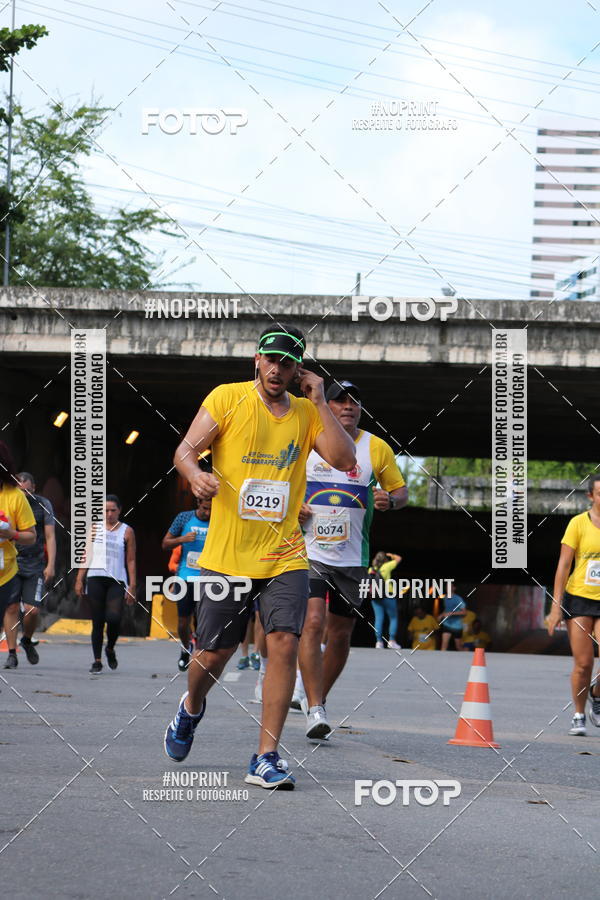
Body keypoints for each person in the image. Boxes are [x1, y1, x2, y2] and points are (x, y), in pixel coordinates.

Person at [163, 324, 356, 790]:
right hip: (227, 555)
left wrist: (320, 399)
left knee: (284, 641)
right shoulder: (228, 398)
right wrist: (194, 475)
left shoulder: (307, 412)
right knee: (215, 654)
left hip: (284, 554)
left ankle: (265, 756)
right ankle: (191, 707)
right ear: (257, 359)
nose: (276, 369)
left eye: (287, 363)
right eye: (270, 360)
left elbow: (344, 459)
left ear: (298, 370)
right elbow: (185, 450)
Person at [297, 381, 407, 739]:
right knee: (313, 622)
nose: (348, 406)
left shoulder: (376, 447)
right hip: (309, 552)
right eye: (340, 400)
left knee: (341, 634)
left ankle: (319, 697)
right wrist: (295, 505)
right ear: (326, 406)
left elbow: (400, 492)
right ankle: (315, 707)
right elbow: (281, 480)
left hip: (353, 557)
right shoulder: (308, 438)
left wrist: (392, 501)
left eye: (354, 402)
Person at [548, 474, 600, 736]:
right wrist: (556, 607)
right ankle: (579, 714)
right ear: (591, 496)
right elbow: (564, 565)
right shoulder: (578, 523)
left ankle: (596, 693)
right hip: (579, 598)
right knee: (584, 663)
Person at [75, 495, 136, 673]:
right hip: (95, 577)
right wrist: (79, 578)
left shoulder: (127, 531)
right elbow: (86, 554)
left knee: (114, 618)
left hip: (117, 579)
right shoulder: (95, 528)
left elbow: (131, 559)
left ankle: (110, 648)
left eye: (113, 510)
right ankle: (97, 660)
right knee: (98, 621)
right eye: (106, 511)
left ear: (119, 510)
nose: (109, 514)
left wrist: (132, 585)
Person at [161, 497, 211, 671]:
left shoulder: (218, 520)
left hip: (207, 578)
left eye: (211, 509)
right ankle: (185, 647)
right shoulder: (184, 518)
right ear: (198, 503)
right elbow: (165, 543)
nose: (208, 513)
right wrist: (182, 539)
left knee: (202, 621)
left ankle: (198, 655)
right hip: (185, 577)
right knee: (183, 622)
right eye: (205, 508)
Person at [0, 444, 36, 668]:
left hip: (6, 571)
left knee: (13, 609)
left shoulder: (15, 496)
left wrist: (11, 534)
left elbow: (32, 536)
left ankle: (15, 649)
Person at [14, 472, 56, 665]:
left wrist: (50, 565)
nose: (23, 495)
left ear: (34, 489)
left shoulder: (43, 504)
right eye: (20, 491)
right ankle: (12, 654)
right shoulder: (9, 503)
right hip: (11, 562)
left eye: (27, 491)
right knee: (10, 608)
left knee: (32, 611)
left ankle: (26, 640)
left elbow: (50, 536)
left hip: (34, 564)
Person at [370, 551, 403, 649]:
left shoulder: (371, 569)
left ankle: (379, 642)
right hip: (388, 594)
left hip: (375, 596)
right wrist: (391, 555)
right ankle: (392, 641)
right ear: (385, 559)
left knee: (378, 618)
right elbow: (399, 558)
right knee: (393, 618)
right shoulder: (387, 566)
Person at [438, 581, 467, 650]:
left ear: (454, 588)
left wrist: (451, 613)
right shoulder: (445, 597)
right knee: (444, 645)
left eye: (450, 586)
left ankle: (467, 652)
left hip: (457, 626)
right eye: (447, 586)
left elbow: (464, 612)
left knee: (458, 647)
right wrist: (441, 615)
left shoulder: (458, 599)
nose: (448, 588)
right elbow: (447, 609)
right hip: (447, 624)